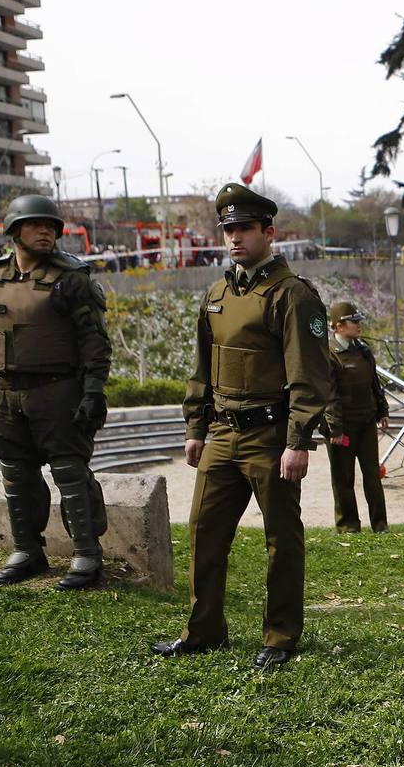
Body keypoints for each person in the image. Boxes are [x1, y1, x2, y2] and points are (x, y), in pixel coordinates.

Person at [152, 183, 336, 669]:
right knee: (204, 530)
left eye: (245, 229)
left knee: (281, 538)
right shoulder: (216, 294)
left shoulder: (292, 295)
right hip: (221, 435)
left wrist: (299, 442)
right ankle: (203, 630)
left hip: (270, 438)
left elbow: (310, 375)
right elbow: (200, 367)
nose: (235, 238)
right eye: (228, 229)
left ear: (268, 232)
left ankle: (279, 637)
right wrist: (195, 427)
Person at [0, 194, 112, 590]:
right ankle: (27, 550)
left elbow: (95, 344)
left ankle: (87, 554)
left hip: (58, 392)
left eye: (52, 226)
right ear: (14, 231)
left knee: (70, 473)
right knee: (16, 474)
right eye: (36, 225)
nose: (46, 232)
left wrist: (93, 393)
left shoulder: (72, 280)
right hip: (4, 395)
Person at [325, 301, 389, 533]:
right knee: (343, 478)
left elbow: (374, 385)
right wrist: (335, 429)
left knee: (372, 475)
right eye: (354, 321)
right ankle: (348, 526)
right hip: (343, 428)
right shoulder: (329, 354)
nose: (358, 325)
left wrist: (382, 410)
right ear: (339, 326)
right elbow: (329, 396)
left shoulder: (363, 351)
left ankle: (380, 524)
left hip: (366, 422)